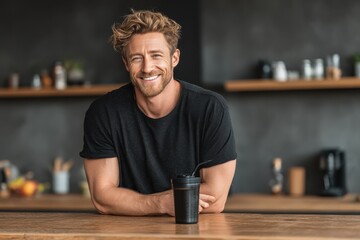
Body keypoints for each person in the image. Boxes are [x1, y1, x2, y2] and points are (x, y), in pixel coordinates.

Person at [80, 9, 237, 216]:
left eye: (156, 55)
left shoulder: (210, 108)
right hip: (126, 233)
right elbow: (103, 198)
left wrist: (137, 203)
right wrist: (161, 203)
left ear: (174, 58)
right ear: (126, 63)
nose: (147, 68)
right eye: (137, 58)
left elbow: (216, 199)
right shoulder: (103, 113)